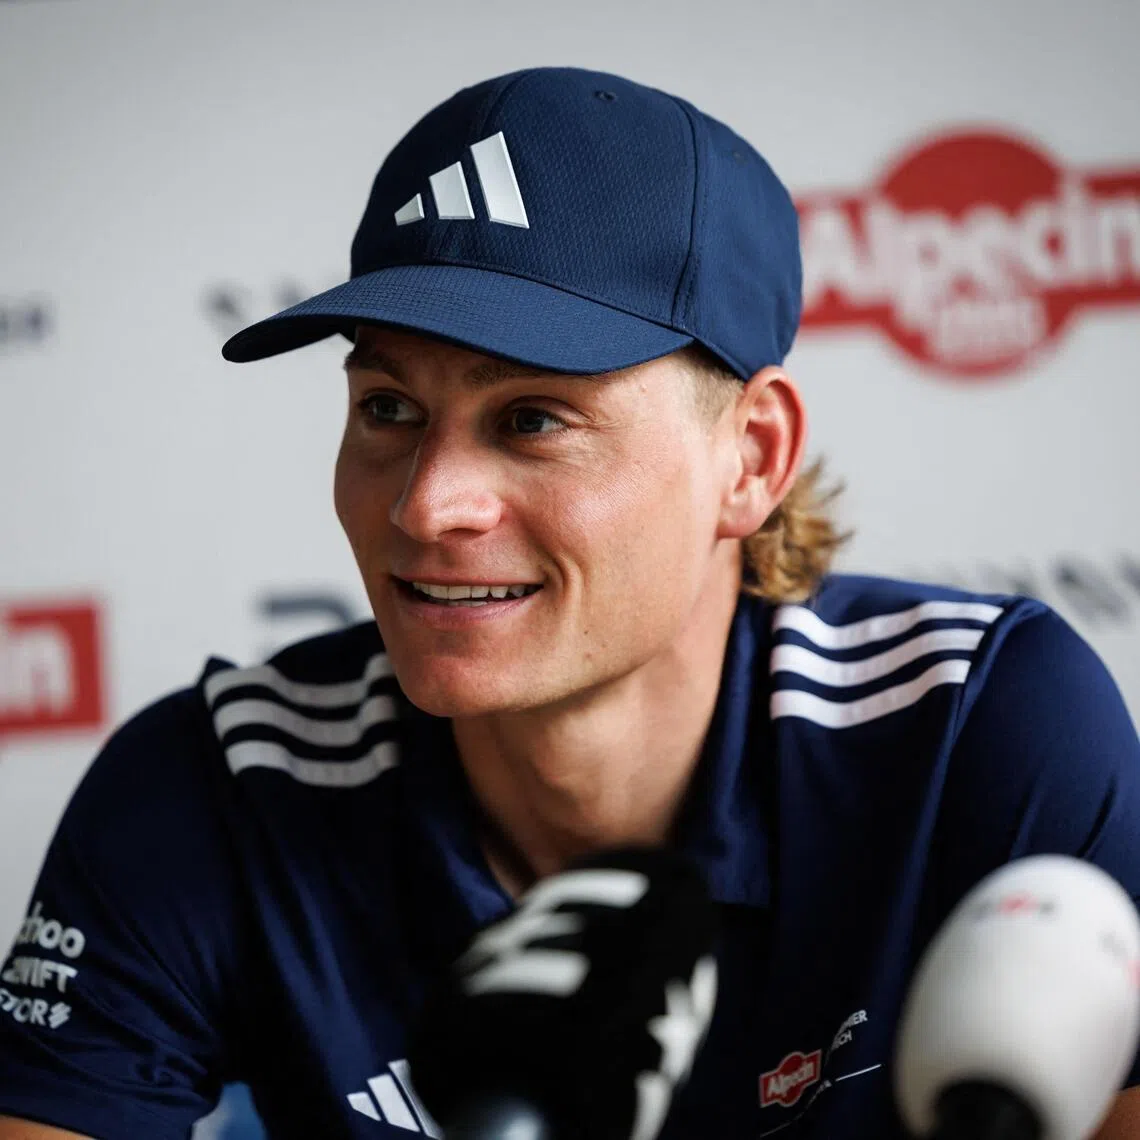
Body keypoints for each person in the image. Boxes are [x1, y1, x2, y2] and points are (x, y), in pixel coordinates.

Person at [1, 66, 1138, 1140]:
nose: (426, 504)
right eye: (388, 407)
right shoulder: (217, 788)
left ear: (751, 457)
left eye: (532, 418)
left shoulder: (976, 727)